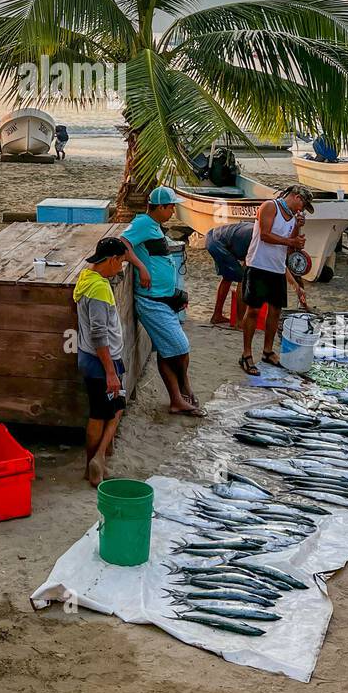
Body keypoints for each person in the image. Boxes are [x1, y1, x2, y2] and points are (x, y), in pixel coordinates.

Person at [123, 186, 204, 416]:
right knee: (180, 347)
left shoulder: (155, 226)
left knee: (168, 349)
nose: (172, 212)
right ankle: (181, 393)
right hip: (152, 300)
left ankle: (180, 395)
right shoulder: (142, 223)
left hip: (164, 297)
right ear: (159, 207)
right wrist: (141, 267)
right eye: (170, 207)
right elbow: (123, 242)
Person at [240, 186, 314, 374]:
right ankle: (246, 354)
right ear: (296, 197)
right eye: (303, 204)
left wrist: (297, 228)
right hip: (258, 265)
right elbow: (265, 235)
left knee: (275, 311)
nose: (302, 209)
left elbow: (290, 247)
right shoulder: (270, 206)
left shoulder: (293, 217)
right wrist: (291, 241)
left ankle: (267, 351)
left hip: (278, 268)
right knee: (254, 310)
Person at [74, 237, 130, 485]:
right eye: (120, 262)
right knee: (100, 413)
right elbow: (99, 333)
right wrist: (110, 371)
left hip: (90, 357)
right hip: (101, 361)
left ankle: (98, 459)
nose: (121, 267)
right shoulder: (98, 290)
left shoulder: (87, 278)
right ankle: (94, 462)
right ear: (111, 260)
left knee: (114, 406)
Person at [206, 218, 307, 326]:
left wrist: (297, 288)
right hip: (217, 241)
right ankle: (239, 321)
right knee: (243, 279)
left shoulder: (274, 239)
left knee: (228, 277)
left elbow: (282, 266)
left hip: (218, 238)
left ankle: (217, 316)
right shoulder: (261, 240)